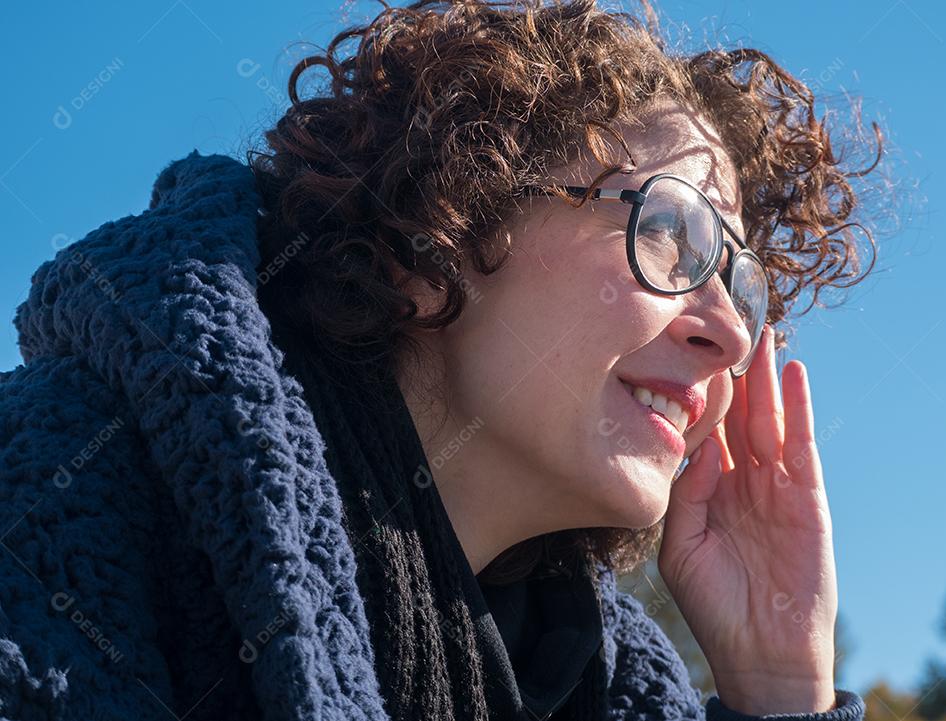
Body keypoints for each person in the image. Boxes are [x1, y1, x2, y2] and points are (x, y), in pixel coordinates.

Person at [0, 0, 882, 718]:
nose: (730, 331)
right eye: (667, 231)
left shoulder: (611, 691)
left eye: (743, 282)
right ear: (433, 245)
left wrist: (777, 689)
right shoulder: (49, 491)